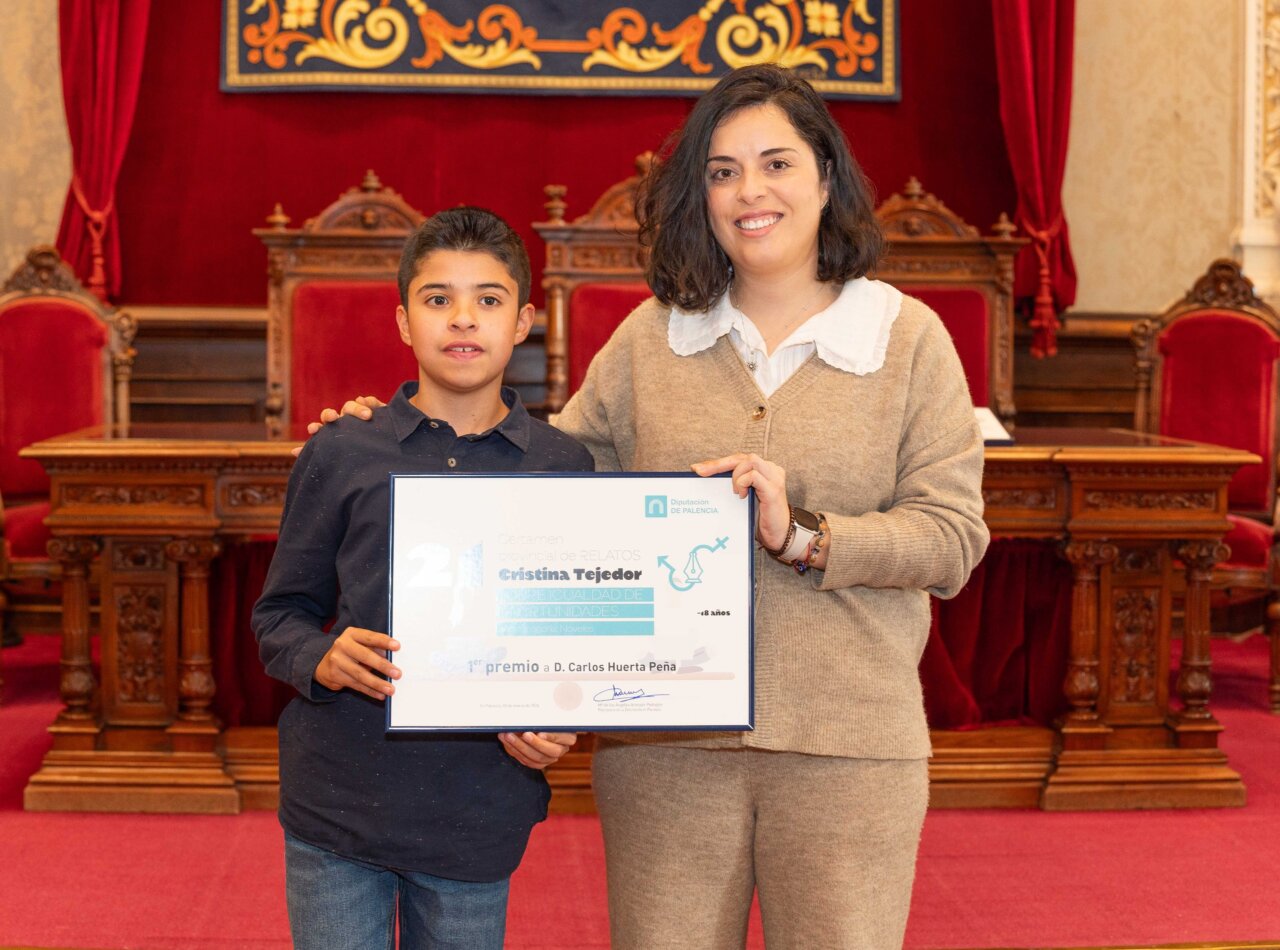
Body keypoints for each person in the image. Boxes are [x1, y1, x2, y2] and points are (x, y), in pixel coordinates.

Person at [316, 65, 989, 949]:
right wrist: (392, 430)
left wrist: (803, 534)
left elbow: (952, 538)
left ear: (826, 177)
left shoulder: (909, 339)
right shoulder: (651, 337)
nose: (750, 191)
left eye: (776, 163)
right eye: (721, 171)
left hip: (848, 747)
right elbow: (535, 488)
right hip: (662, 753)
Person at [252, 206, 595, 950]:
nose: (463, 319)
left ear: (525, 319)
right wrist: (322, 656)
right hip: (337, 807)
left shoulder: (564, 468)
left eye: (489, 299)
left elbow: (574, 643)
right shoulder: (342, 451)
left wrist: (559, 721)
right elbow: (279, 616)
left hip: (477, 809)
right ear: (405, 321)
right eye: (438, 299)